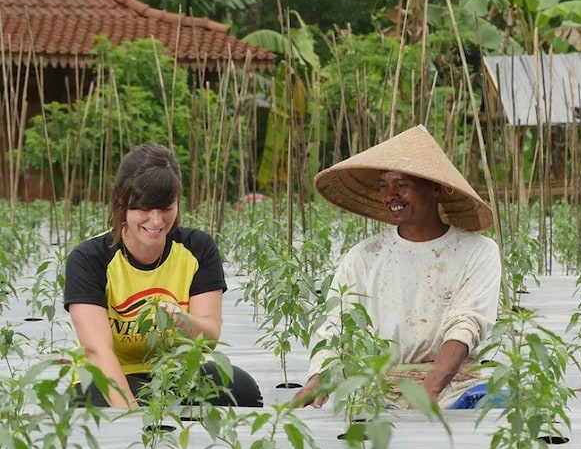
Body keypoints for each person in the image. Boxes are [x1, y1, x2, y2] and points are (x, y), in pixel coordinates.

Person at [291, 125, 502, 409]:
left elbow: (466, 325)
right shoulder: (365, 256)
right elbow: (338, 328)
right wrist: (319, 378)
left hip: (460, 387)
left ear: (436, 187)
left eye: (402, 185)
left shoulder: (478, 251)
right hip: (385, 391)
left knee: (502, 404)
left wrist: (427, 392)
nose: (390, 195)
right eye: (383, 186)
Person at [64, 143, 263, 408]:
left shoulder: (198, 248)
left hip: (174, 373)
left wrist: (184, 321)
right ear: (121, 200)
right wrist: (131, 416)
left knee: (241, 390)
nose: (156, 221)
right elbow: (98, 352)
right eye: (144, 208)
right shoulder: (90, 259)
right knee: (94, 404)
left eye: (166, 207)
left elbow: (210, 337)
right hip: (110, 375)